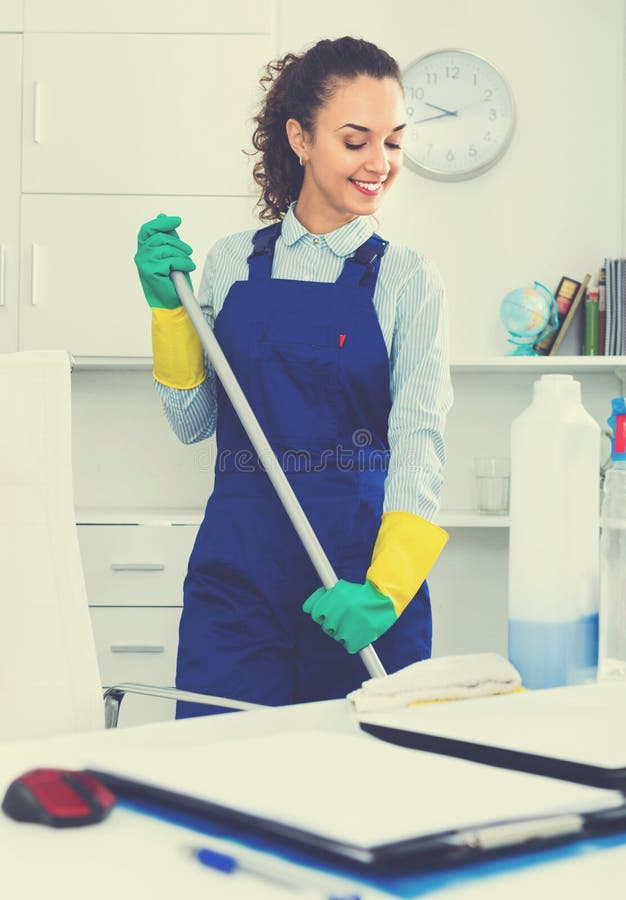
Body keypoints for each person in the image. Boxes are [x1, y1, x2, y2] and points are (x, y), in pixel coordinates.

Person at [134, 36, 453, 716]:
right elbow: (192, 424)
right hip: (238, 574)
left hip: (357, 575)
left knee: (359, 789)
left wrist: (385, 589)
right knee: (219, 771)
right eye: (355, 139)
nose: (379, 164)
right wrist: (168, 311)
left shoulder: (407, 278)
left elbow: (420, 440)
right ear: (300, 137)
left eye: (393, 143)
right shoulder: (228, 265)